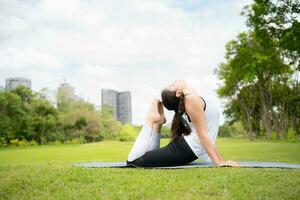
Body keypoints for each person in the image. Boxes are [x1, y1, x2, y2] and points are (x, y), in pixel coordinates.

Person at [126, 80, 240, 167]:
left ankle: (159, 122)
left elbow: (209, 135)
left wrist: (221, 160)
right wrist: (219, 162)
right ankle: (151, 120)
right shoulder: (190, 100)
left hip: (186, 148)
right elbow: (202, 135)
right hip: (185, 149)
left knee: (147, 156)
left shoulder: (193, 98)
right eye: (171, 84)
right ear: (178, 92)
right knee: (134, 161)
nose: (173, 82)